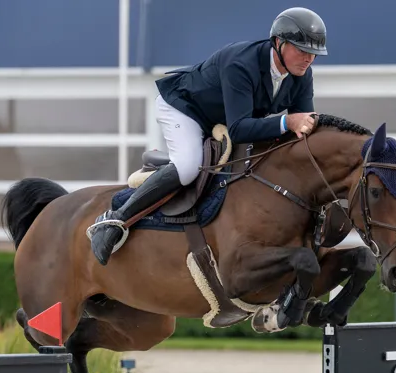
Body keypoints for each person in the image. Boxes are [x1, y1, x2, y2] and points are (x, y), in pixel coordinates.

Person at [87, 7, 328, 265]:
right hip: (185, 109)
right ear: (279, 43)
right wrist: (286, 121)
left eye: (313, 54)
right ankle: (115, 220)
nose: (308, 59)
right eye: (302, 50)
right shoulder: (242, 63)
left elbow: (302, 128)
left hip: (221, 119)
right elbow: (240, 130)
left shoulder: (302, 74)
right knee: (189, 167)